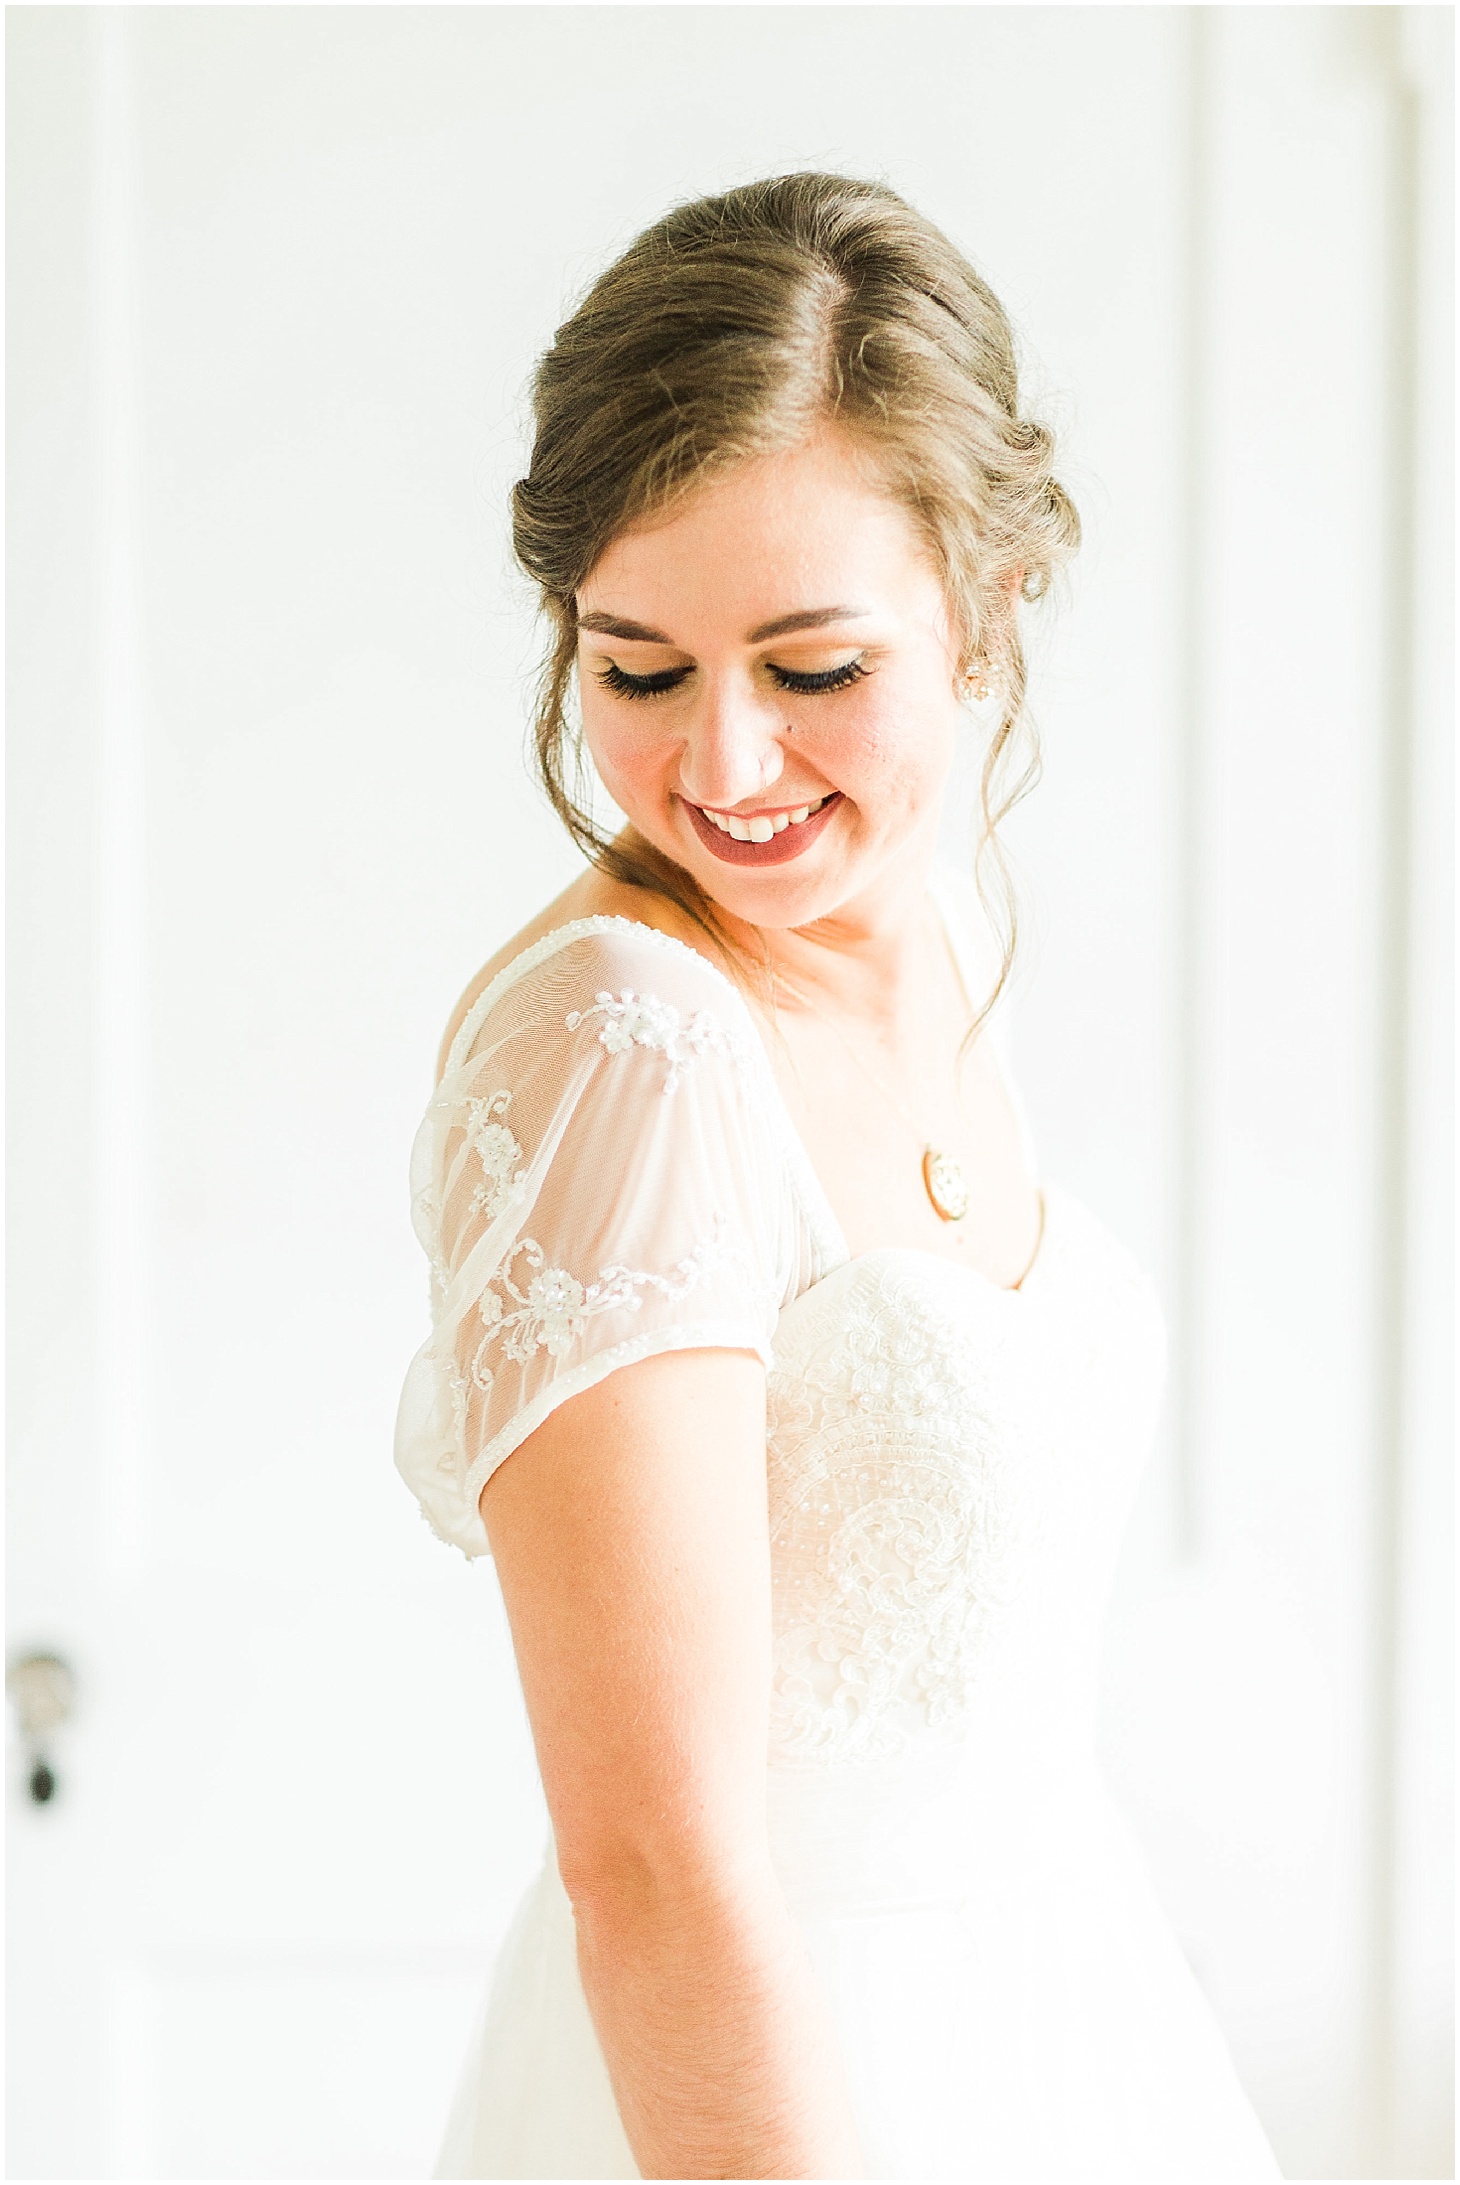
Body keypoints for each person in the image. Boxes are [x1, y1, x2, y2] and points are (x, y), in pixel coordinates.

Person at [394, 172, 1281, 2183]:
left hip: (1062, 2024)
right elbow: (653, 1865)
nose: (722, 768)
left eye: (809, 669)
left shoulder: (933, 932)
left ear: (989, 602)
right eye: (636, 670)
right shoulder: (624, 1039)